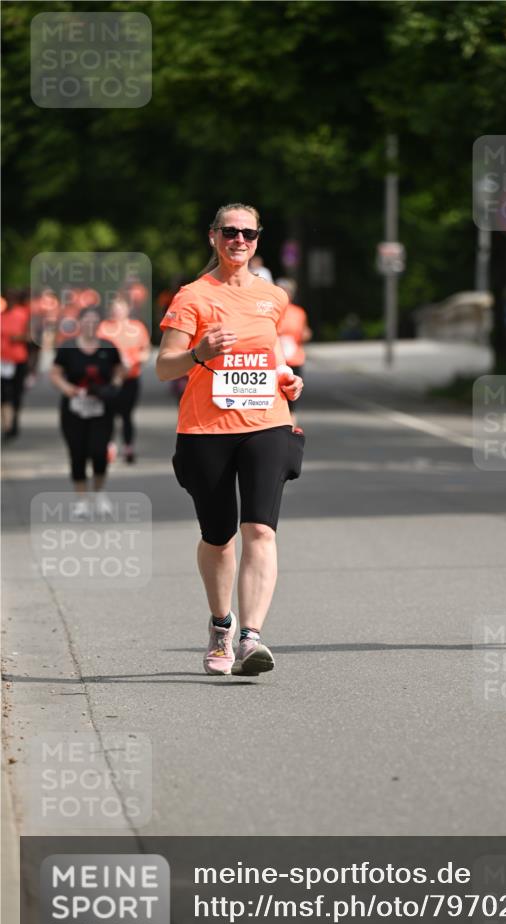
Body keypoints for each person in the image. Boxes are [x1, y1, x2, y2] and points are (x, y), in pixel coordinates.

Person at [156, 202, 304, 677]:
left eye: (248, 233)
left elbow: (272, 353)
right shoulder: (192, 297)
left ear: (259, 239)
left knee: (260, 529)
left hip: (267, 422)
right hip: (205, 429)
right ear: (213, 237)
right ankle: (221, 625)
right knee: (219, 537)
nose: (239, 240)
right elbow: (164, 366)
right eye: (230, 232)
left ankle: (250, 638)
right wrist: (198, 352)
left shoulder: (273, 297)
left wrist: (288, 378)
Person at [49, 306, 124, 517]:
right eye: (86, 321)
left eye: (94, 321)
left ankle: (99, 493)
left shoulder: (109, 347)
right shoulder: (68, 348)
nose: (90, 325)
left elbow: (120, 370)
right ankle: (81, 499)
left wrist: (113, 386)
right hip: (74, 408)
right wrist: (69, 390)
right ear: (79, 323)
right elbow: (55, 374)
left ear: (100, 324)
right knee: (77, 453)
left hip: (101, 408)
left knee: (99, 451)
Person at [98, 296, 151, 462]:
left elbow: (146, 352)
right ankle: (109, 446)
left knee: (127, 415)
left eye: (120, 308)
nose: (117, 312)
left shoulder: (137, 328)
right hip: (110, 380)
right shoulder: (104, 328)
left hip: (130, 378)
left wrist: (133, 360)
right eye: (114, 308)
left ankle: (128, 447)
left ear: (128, 309)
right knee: (108, 415)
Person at [275, 277, 312, 410]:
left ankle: (292, 429)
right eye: (282, 290)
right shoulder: (270, 309)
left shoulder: (299, 312)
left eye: (288, 291)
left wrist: (305, 335)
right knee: (277, 400)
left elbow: (304, 331)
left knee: (292, 402)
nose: (285, 293)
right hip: (276, 361)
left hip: (294, 359)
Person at [1, 289, 30, 441]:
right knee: (4, 393)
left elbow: (31, 335)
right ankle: (7, 424)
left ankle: (14, 422)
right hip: (2, 360)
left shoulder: (22, 314)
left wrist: (18, 337)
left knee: (16, 392)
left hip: (18, 359)